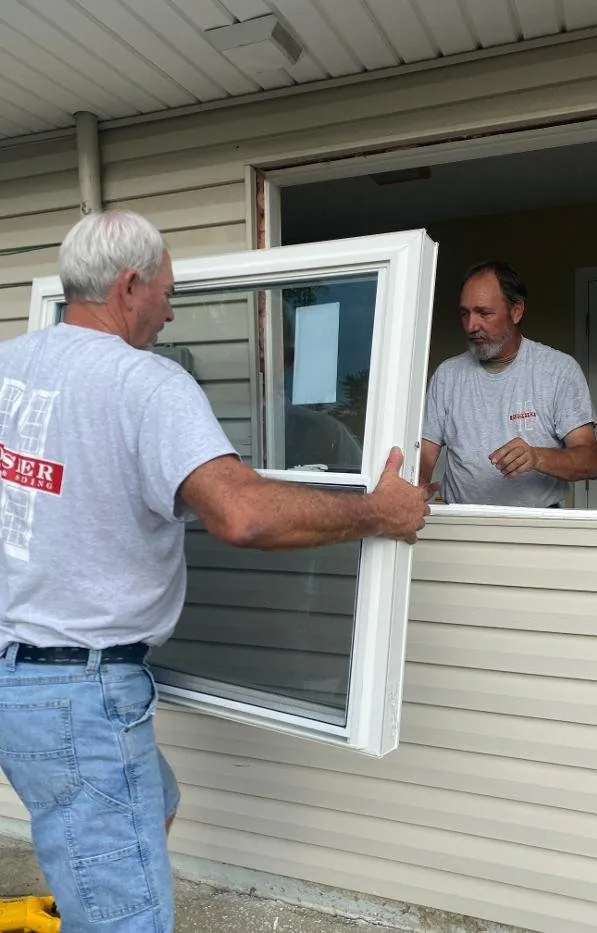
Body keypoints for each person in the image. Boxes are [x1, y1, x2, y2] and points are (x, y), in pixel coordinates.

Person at [0, 210, 434, 933]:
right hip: (78, 694)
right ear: (129, 286)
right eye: (167, 292)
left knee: (154, 803)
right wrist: (380, 512)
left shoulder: (10, 364)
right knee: (127, 919)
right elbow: (243, 515)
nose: (171, 312)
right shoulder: (147, 384)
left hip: (20, 684)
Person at [420, 260, 597, 507]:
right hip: (462, 521)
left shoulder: (559, 370)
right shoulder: (447, 375)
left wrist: (537, 457)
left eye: (484, 313)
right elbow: (424, 454)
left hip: (537, 523)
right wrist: (416, 487)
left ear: (516, 311)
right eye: (465, 313)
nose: (471, 326)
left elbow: (591, 461)